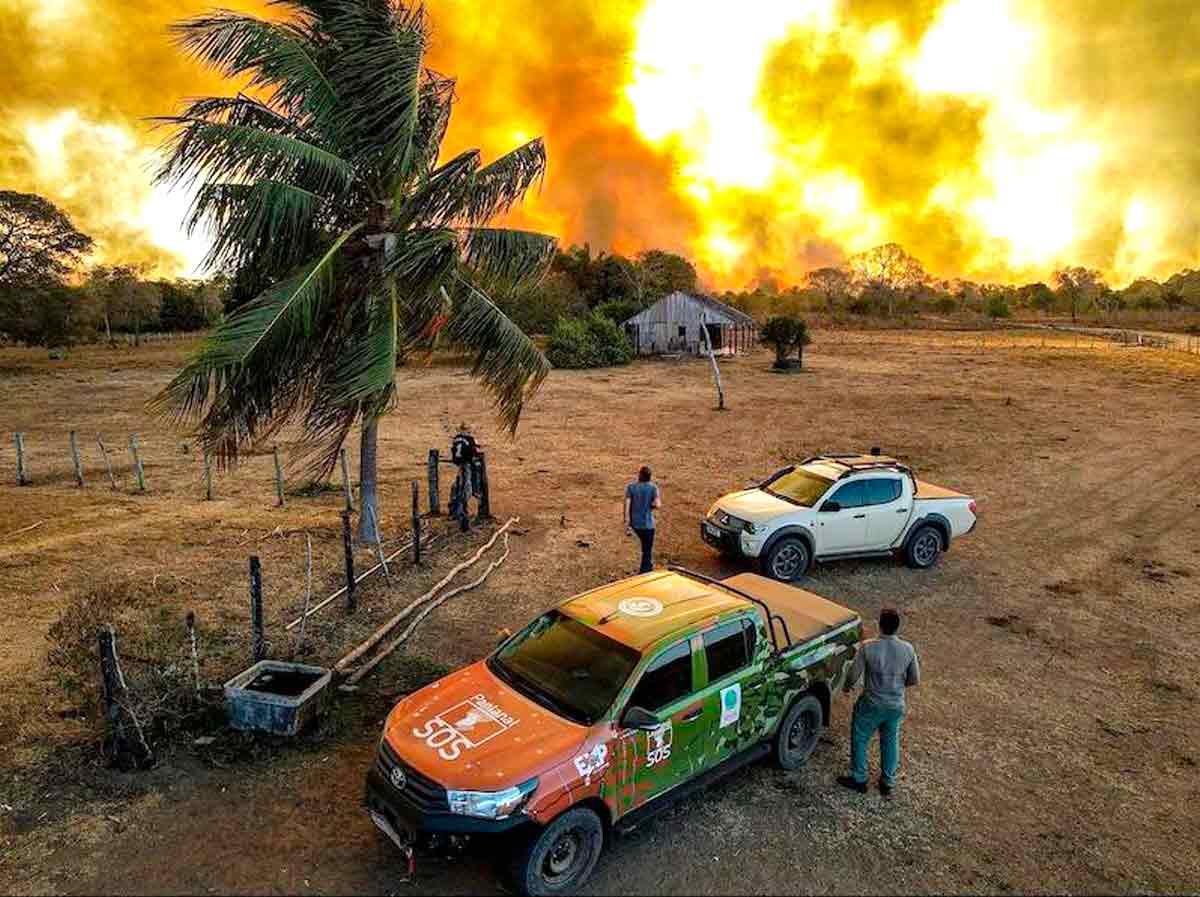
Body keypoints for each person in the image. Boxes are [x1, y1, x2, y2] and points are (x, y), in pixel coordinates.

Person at [836, 606, 921, 797]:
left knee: (860, 737)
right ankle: (887, 781)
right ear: (898, 627)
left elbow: (853, 675)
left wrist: (847, 688)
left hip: (872, 702)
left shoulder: (868, 647)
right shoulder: (908, 649)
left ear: (879, 625)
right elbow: (914, 679)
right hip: (896, 704)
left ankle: (859, 778)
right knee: (890, 741)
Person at [624, 466, 662, 574]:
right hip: (648, 525)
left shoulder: (631, 487)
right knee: (647, 550)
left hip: (635, 523)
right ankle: (645, 571)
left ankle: (647, 568)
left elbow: (627, 505)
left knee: (645, 550)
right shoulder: (653, 488)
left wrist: (626, 522)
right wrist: (652, 505)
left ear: (640, 475)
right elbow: (658, 504)